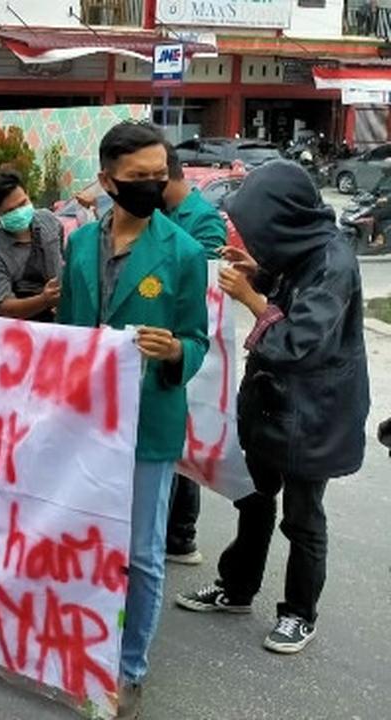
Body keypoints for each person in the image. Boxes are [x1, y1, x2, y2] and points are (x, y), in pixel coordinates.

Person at [176, 160, 370, 657]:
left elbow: (298, 340)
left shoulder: (334, 263)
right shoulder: (298, 247)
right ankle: (236, 589)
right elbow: (282, 286)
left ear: (283, 216)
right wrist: (255, 272)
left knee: (302, 517)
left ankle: (299, 614)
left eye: (259, 226)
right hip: (272, 404)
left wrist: (250, 299)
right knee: (254, 501)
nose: (257, 235)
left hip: (316, 415)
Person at [57, 122, 209, 719]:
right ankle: (81, 644)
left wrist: (175, 352)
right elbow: (68, 331)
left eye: (158, 176)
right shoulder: (80, 246)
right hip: (85, 420)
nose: (150, 186)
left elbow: (196, 339)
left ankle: (130, 668)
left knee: (143, 553)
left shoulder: (184, 253)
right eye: (136, 178)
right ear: (107, 181)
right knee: (85, 537)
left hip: (148, 424)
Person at [161, 143, 229, 566]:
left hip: (190, 338)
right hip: (162, 336)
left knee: (186, 439)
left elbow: (207, 279)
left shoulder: (202, 219)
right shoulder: (163, 215)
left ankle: (182, 535)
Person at [0, 169, 64, 321]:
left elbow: (62, 255)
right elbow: (4, 307)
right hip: (18, 331)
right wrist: (44, 300)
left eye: (23, 203)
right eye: (11, 210)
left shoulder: (49, 221)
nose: (20, 212)